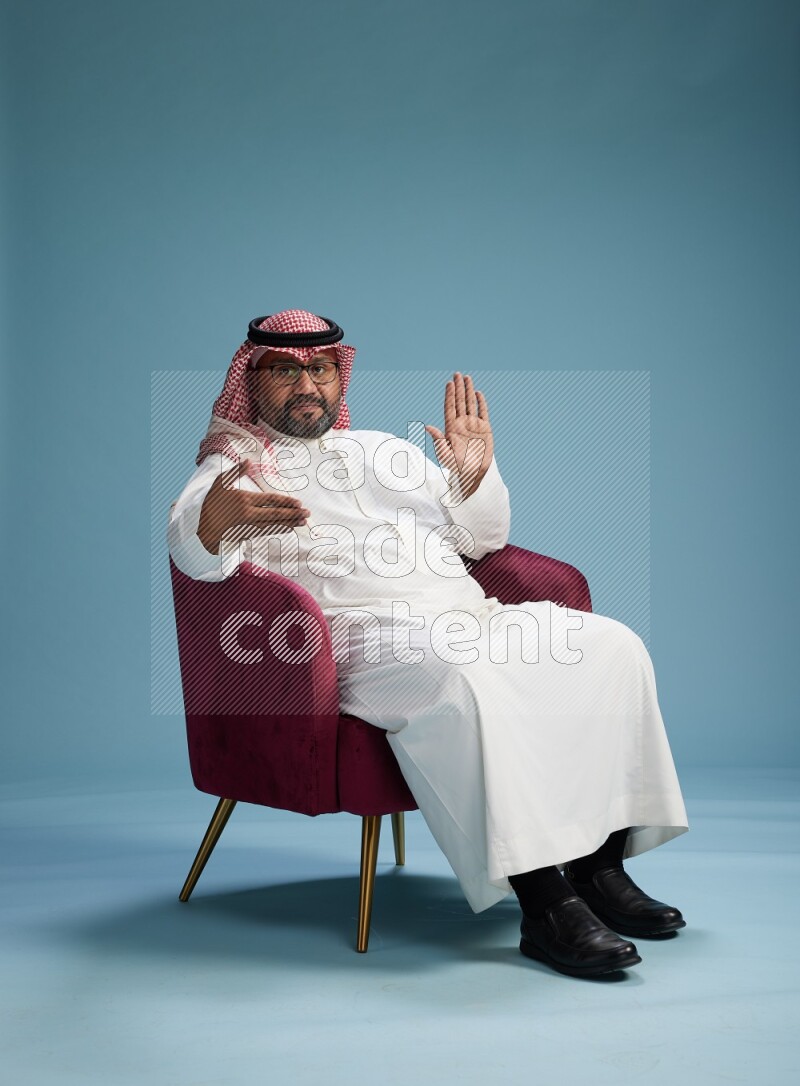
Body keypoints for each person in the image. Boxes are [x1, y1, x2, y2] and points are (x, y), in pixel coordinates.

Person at [167, 308, 690, 979]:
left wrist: (475, 474)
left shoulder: (382, 451)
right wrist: (210, 524)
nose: (308, 386)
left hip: (468, 614)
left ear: (339, 375)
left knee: (612, 648)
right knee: (463, 677)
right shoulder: (233, 470)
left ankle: (598, 868)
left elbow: (484, 539)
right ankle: (544, 904)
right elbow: (193, 556)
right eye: (285, 372)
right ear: (252, 380)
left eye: (320, 369)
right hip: (358, 644)